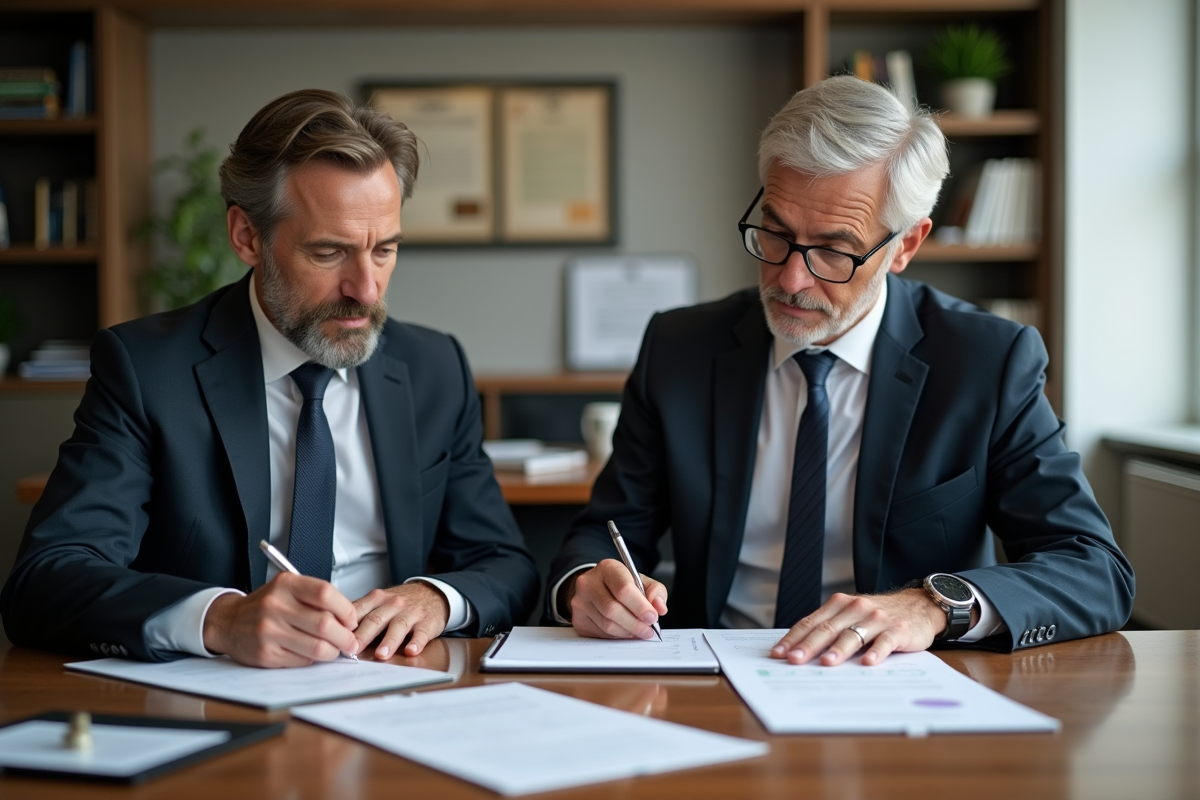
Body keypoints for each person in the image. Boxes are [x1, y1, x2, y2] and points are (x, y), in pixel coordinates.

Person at [548, 76, 1133, 666]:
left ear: (905, 246)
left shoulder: (987, 362)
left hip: (900, 689)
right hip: (713, 675)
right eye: (775, 233)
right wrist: (586, 587)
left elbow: (1093, 568)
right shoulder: (680, 348)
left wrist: (934, 606)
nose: (790, 280)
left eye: (834, 249)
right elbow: (605, 531)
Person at [1, 89, 539, 667]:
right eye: (330, 253)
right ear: (247, 237)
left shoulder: (435, 367)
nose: (367, 289)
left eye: (384, 250)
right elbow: (46, 579)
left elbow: (505, 563)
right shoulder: (147, 368)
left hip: (400, 686)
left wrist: (436, 598)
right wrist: (219, 618)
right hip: (222, 698)